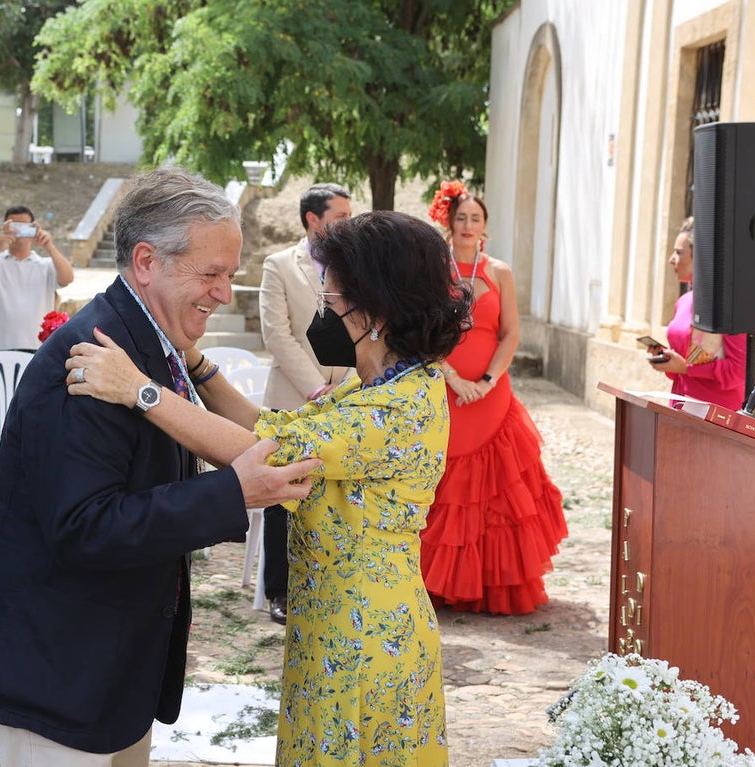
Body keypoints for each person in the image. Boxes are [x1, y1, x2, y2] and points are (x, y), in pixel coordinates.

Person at [66, 209, 471, 767]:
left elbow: (258, 455)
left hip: (364, 637)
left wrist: (140, 391)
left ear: (374, 312)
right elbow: (268, 428)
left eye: (330, 303)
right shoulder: (376, 384)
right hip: (333, 621)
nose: (322, 316)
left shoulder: (393, 411)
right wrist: (195, 362)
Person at [0, 167, 321, 767]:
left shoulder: (148, 341)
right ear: (147, 261)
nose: (225, 293)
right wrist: (231, 493)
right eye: (212, 274)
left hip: (109, 669)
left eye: (230, 274)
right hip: (58, 673)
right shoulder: (91, 358)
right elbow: (84, 526)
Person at [419, 181, 567, 615]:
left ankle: (491, 586)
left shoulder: (499, 271)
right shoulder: (432, 270)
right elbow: (423, 334)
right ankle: (436, 583)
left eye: (476, 219)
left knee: (497, 489)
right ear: (449, 221)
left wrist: (485, 380)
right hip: (445, 391)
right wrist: (453, 379)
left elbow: (511, 334)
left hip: (491, 394)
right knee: (447, 486)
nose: (468, 225)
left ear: (486, 226)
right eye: (461, 218)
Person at [257, 182, 354, 625]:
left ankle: (326, 582)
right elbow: (278, 335)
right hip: (293, 399)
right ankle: (278, 591)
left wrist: (350, 386)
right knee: (280, 496)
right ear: (313, 220)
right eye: (339, 217)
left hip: (346, 397)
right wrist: (318, 389)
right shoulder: (278, 265)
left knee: (332, 490)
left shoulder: (354, 266)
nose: (347, 225)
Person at [645, 216, 747, 409]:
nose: (671, 260)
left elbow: (739, 371)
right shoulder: (683, 301)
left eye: (678, 252)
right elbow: (683, 366)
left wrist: (685, 367)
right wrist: (668, 359)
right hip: (680, 407)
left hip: (715, 415)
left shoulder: (727, 303)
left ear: (699, 256)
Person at [0, 204, 75, 351]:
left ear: (34, 229)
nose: (20, 232)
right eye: (15, 226)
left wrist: (50, 247)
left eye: (26, 227)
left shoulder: (46, 264)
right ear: (5, 228)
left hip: (39, 347)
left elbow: (68, 278)